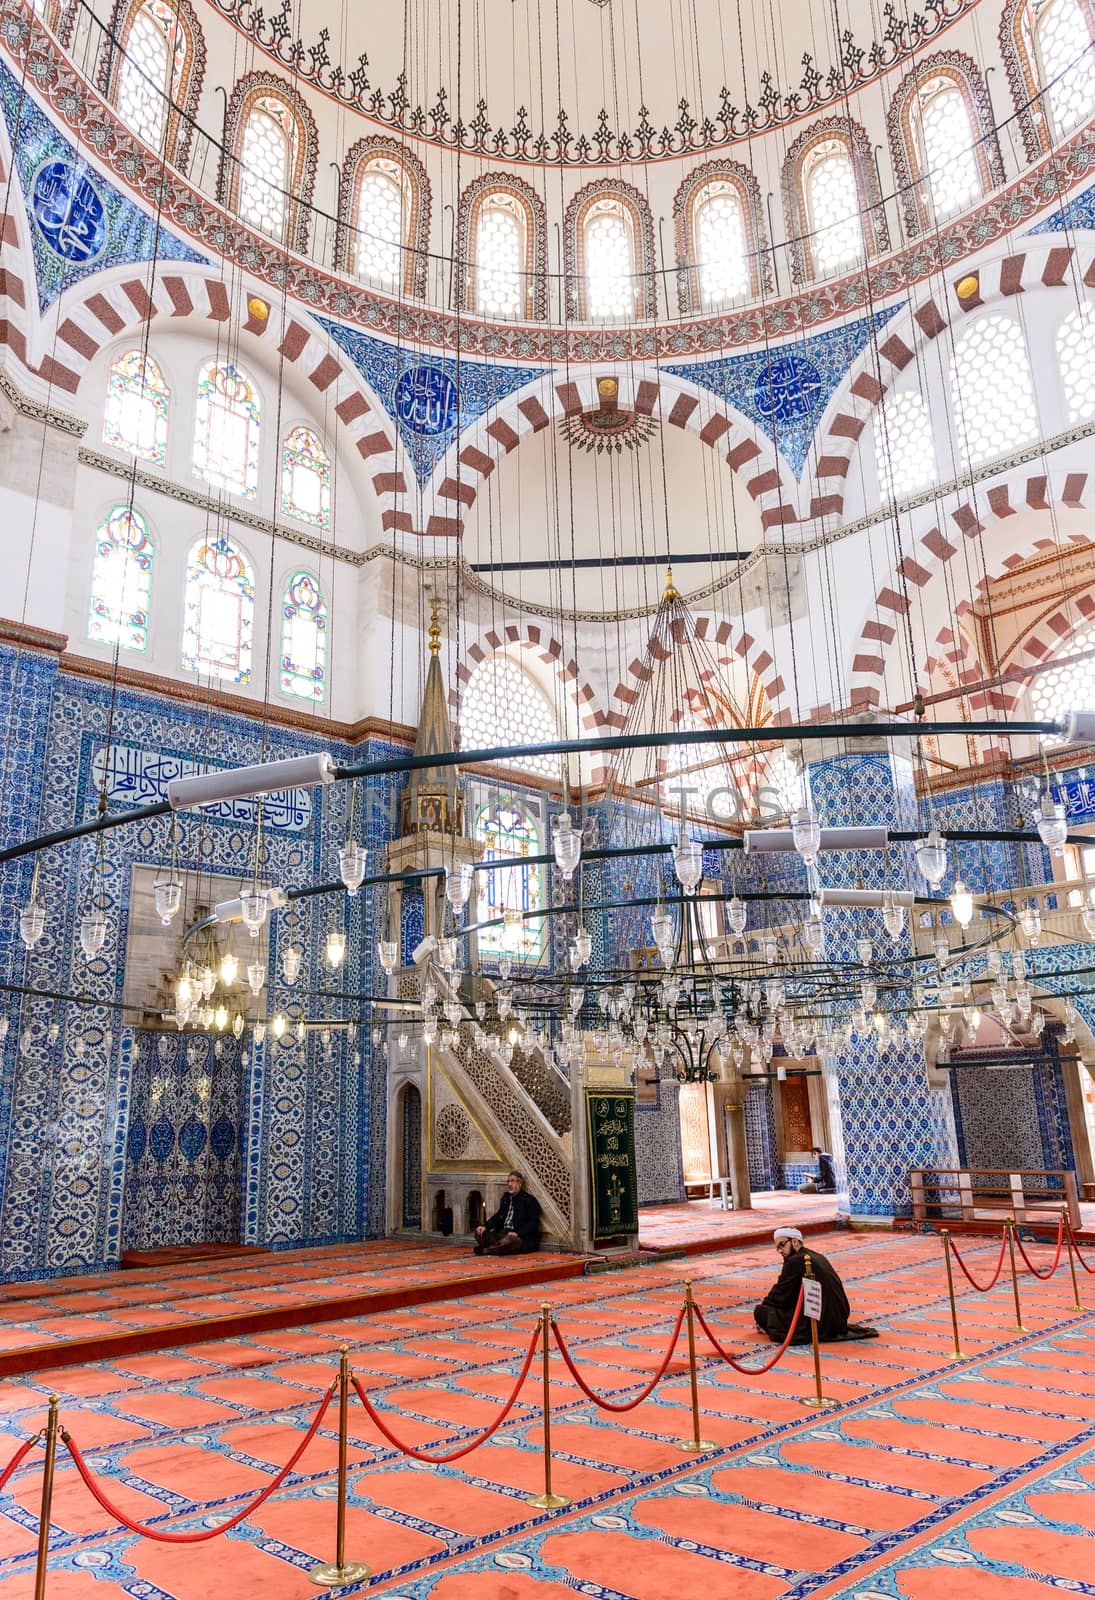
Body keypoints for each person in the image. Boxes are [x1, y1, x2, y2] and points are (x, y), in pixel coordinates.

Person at [753, 1227, 875, 1343]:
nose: (780, 1251)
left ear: (794, 1242)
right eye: (777, 1248)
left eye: (782, 1245)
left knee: (761, 1311)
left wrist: (764, 1312)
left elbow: (779, 1294)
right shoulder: (815, 1255)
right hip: (838, 1321)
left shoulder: (795, 1261)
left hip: (820, 1324)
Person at [473, 1171, 541, 1256]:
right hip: (503, 1234)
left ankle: (487, 1250)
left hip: (519, 1236)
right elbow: (498, 1216)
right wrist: (485, 1226)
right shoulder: (506, 1198)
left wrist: (517, 1233)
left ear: (519, 1183)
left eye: (512, 1181)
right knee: (479, 1232)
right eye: (508, 1181)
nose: (509, 1184)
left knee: (510, 1240)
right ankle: (496, 1248)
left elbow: (534, 1222)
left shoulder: (529, 1200)